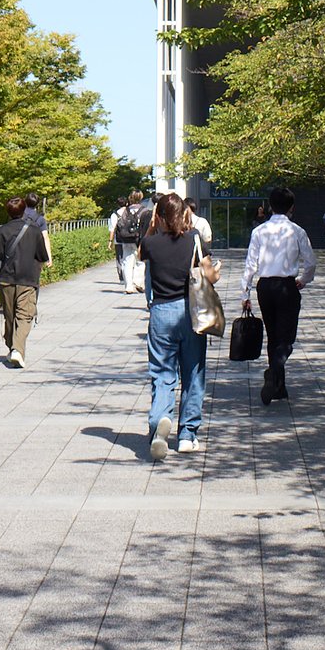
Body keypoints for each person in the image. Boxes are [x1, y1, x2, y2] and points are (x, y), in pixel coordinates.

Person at [137, 192, 211, 460]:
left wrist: (153, 225)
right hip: (190, 311)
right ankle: (187, 435)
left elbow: (140, 253)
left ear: (158, 216)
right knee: (193, 372)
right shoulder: (193, 239)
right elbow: (208, 272)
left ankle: (160, 421)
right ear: (184, 214)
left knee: (162, 373)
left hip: (161, 312)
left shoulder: (150, 243)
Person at [240, 186, 317, 404]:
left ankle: (278, 386)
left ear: (270, 206)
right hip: (287, 286)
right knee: (287, 339)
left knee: (273, 335)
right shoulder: (297, 231)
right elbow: (311, 262)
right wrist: (304, 279)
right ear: (292, 207)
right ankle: (274, 371)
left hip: (264, 286)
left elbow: (250, 264)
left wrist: (245, 293)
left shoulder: (259, 231)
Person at [0, 195, 51, 368]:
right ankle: (17, 350)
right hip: (28, 278)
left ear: (8, 212)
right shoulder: (34, 230)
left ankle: (12, 347)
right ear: (24, 209)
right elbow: (42, 255)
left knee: (9, 315)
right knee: (25, 315)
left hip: (6, 278)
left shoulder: (0, 231)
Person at [112, 190, 150, 293]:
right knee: (140, 261)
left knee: (127, 262)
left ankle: (128, 286)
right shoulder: (145, 211)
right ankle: (138, 282)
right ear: (141, 198)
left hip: (126, 238)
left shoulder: (125, 211)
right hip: (139, 239)